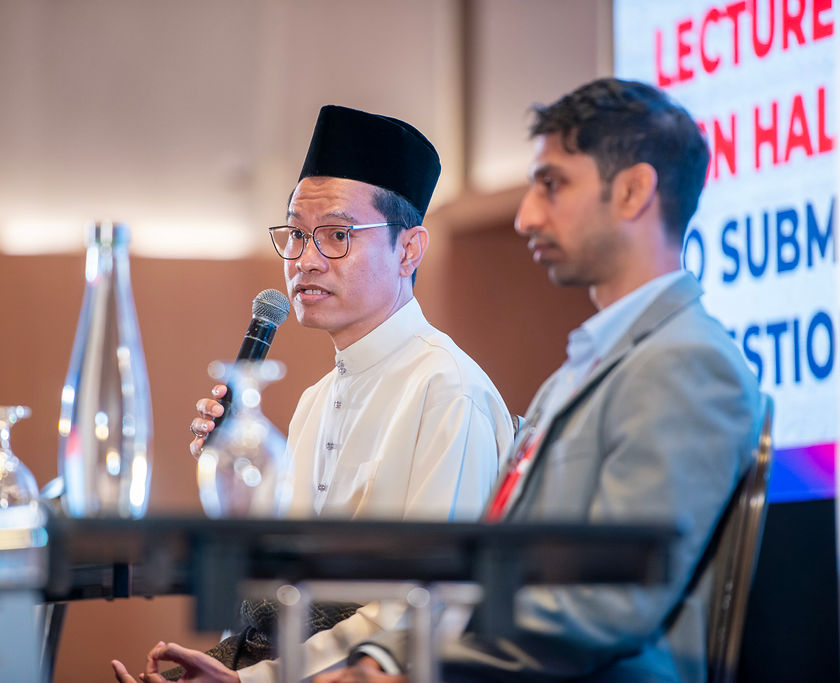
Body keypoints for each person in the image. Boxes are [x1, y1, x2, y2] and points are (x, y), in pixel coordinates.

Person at [317, 78, 762, 682]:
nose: (526, 216)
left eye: (552, 184)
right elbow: (482, 574)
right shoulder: (582, 371)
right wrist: (382, 657)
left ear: (634, 191)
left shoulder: (686, 362)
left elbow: (608, 603)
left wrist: (407, 671)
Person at [112, 105, 515, 683]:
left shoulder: (448, 390)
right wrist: (239, 495)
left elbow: (423, 609)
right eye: (298, 234)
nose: (304, 260)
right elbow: (281, 597)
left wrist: (252, 681)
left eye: (337, 236)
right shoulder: (314, 401)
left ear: (409, 249)